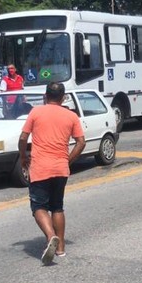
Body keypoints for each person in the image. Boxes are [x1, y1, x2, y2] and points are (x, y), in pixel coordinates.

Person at [18, 82, 86, 265]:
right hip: (60, 168)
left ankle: (50, 237)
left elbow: (23, 137)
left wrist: (23, 156)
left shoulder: (36, 112)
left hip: (40, 167)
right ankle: (61, 248)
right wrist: (68, 160)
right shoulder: (71, 116)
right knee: (57, 206)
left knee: (38, 206)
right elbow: (81, 142)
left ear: (45, 96)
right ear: (63, 97)